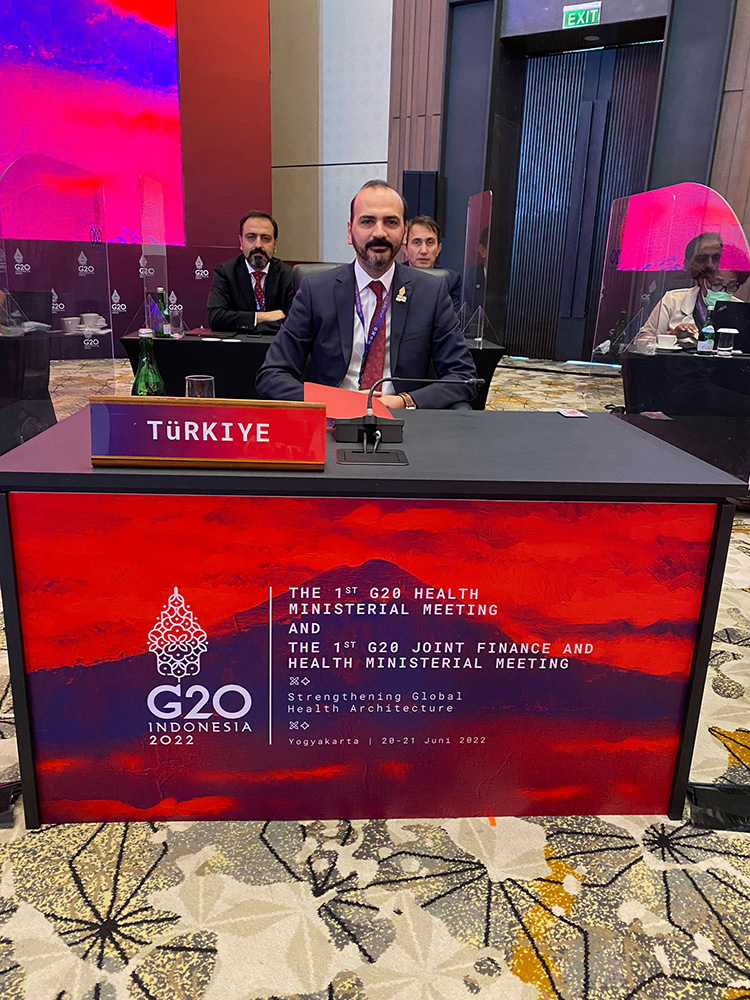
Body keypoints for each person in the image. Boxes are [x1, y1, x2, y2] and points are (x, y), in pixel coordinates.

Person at [256, 181, 477, 409]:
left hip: (403, 419)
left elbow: (464, 377)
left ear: (404, 233)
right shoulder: (316, 291)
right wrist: (335, 402)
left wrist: (405, 401)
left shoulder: (431, 293)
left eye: (391, 222)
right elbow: (271, 375)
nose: (379, 233)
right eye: (367, 221)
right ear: (350, 231)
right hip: (332, 418)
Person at [634, 233, 748, 350]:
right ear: (703, 280)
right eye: (717, 285)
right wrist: (672, 334)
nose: (723, 292)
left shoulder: (741, 311)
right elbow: (641, 342)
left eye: (731, 286)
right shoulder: (673, 300)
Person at [207, 211, 294, 332]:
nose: (258, 245)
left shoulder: (289, 275)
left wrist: (248, 324)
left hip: (277, 342)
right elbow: (216, 318)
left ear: (275, 245)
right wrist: (261, 317)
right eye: (251, 237)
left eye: (265, 238)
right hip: (240, 344)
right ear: (241, 242)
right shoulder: (226, 272)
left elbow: (295, 322)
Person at [403, 215, 462, 313]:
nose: (424, 251)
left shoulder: (451, 280)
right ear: (405, 249)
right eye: (417, 242)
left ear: (438, 249)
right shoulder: (394, 276)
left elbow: (455, 319)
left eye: (430, 242)